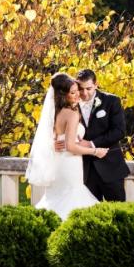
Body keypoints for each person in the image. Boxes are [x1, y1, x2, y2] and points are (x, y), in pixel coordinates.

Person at [25, 73, 103, 219]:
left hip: (58, 163)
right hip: (69, 163)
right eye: (73, 93)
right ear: (63, 95)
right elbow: (71, 146)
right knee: (72, 197)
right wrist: (95, 151)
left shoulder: (55, 113)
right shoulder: (72, 114)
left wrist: (53, 143)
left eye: (77, 91)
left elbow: (52, 137)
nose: (78, 95)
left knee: (57, 197)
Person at [71, 69, 129, 201]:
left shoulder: (111, 101)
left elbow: (119, 131)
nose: (84, 93)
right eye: (81, 88)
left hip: (110, 166)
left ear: (96, 84)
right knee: (89, 214)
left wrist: (91, 144)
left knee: (117, 212)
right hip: (84, 170)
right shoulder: (71, 106)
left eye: (89, 88)